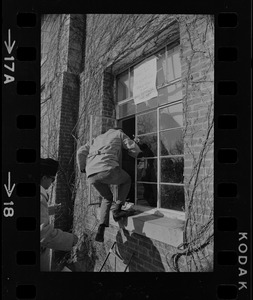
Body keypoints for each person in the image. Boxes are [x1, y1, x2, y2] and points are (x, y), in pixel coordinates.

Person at [76, 127, 142, 242]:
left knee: (107, 197)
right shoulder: (119, 133)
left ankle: (101, 228)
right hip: (107, 168)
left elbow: (80, 151)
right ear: (120, 130)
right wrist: (138, 154)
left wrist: (82, 167)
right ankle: (117, 210)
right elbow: (131, 146)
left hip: (91, 174)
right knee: (126, 180)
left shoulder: (96, 139)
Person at [40, 158, 78, 271]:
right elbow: (44, 234)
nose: (52, 183)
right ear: (44, 178)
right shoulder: (40, 198)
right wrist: (71, 239)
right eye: (52, 179)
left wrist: (50, 209)